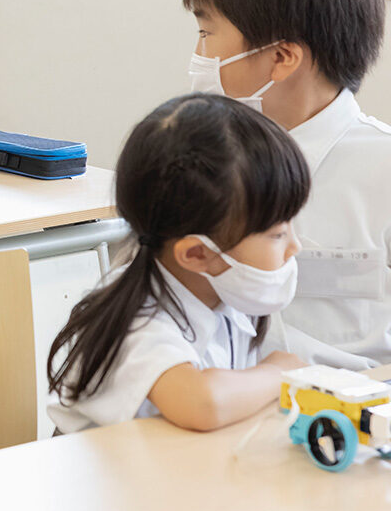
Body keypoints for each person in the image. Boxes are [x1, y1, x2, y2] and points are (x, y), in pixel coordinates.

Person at [180, 0, 391, 368]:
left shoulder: (383, 172)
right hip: (207, 409)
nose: (198, 56)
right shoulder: (195, 158)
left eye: (205, 33)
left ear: (280, 57)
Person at [48, 93, 308, 433]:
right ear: (196, 253)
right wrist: (277, 373)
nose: (295, 247)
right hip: (107, 483)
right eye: (277, 234)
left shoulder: (222, 295)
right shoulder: (137, 323)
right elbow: (203, 403)